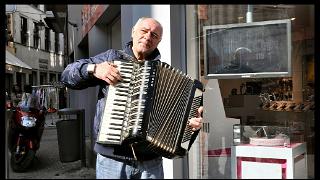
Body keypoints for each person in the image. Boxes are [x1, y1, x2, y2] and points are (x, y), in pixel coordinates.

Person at [61, 17, 203, 179]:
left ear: (158, 42)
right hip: (113, 159)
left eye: (154, 35)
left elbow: (179, 126)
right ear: (133, 32)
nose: (148, 37)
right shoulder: (111, 58)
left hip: (151, 162)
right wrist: (94, 69)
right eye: (144, 31)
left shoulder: (166, 74)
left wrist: (190, 127)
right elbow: (67, 76)